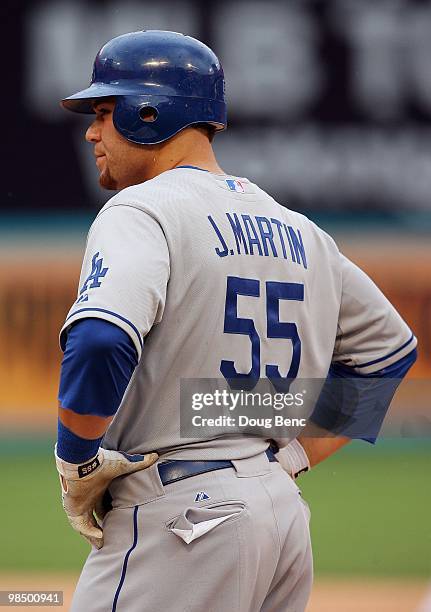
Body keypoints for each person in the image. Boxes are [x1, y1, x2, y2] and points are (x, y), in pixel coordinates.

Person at [55, 30, 417, 612]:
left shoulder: (141, 209)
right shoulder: (299, 230)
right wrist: (293, 456)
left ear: (150, 112)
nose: (93, 132)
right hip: (281, 519)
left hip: (183, 521)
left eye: (104, 111)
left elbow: (100, 340)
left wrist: (76, 457)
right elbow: (390, 350)